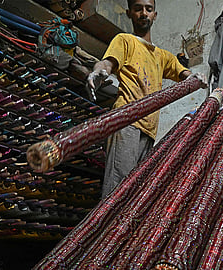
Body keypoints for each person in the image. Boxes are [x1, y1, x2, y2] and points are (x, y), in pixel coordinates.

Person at [87, 0, 192, 198]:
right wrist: (99, 72)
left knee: (134, 193)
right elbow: (107, 63)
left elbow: (186, 75)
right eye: (138, 9)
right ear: (129, 13)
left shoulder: (163, 56)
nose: (143, 13)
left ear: (155, 14)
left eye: (148, 9)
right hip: (126, 122)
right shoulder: (125, 40)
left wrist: (198, 79)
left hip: (149, 131)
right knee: (116, 192)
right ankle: (108, 229)